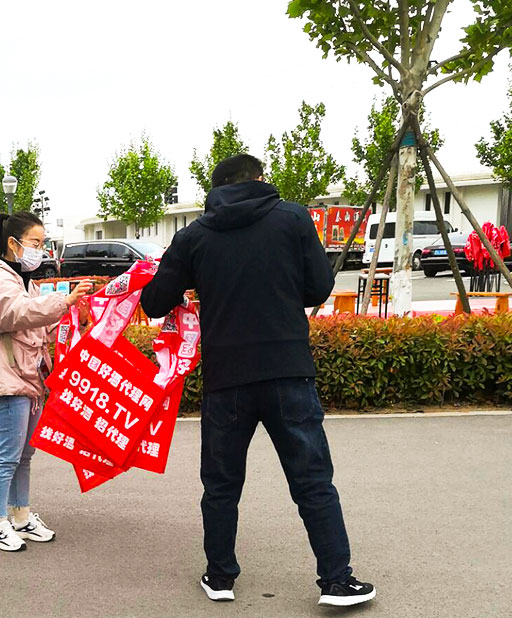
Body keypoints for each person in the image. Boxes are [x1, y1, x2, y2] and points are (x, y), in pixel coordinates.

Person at [140, 154, 376, 608]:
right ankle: (336, 581)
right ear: (260, 179)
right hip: (288, 369)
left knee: (222, 483)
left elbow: (153, 302)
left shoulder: (194, 236)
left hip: (227, 379)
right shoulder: (292, 218)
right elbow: (320, 286)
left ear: (217, 187)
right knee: (312, 480)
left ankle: (220, 576)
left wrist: (193, 284)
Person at [0, 212, 92, 551]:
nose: (41, 250)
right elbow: (16, 314)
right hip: (8, 377)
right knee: (9, 455)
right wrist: (62, 302)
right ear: (13, 244)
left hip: (29, 377)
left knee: (24, 455)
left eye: (42, 243)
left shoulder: (24, 280)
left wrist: (73, 315)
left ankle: (20, 517)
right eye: (35, 243)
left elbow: (38, 323)